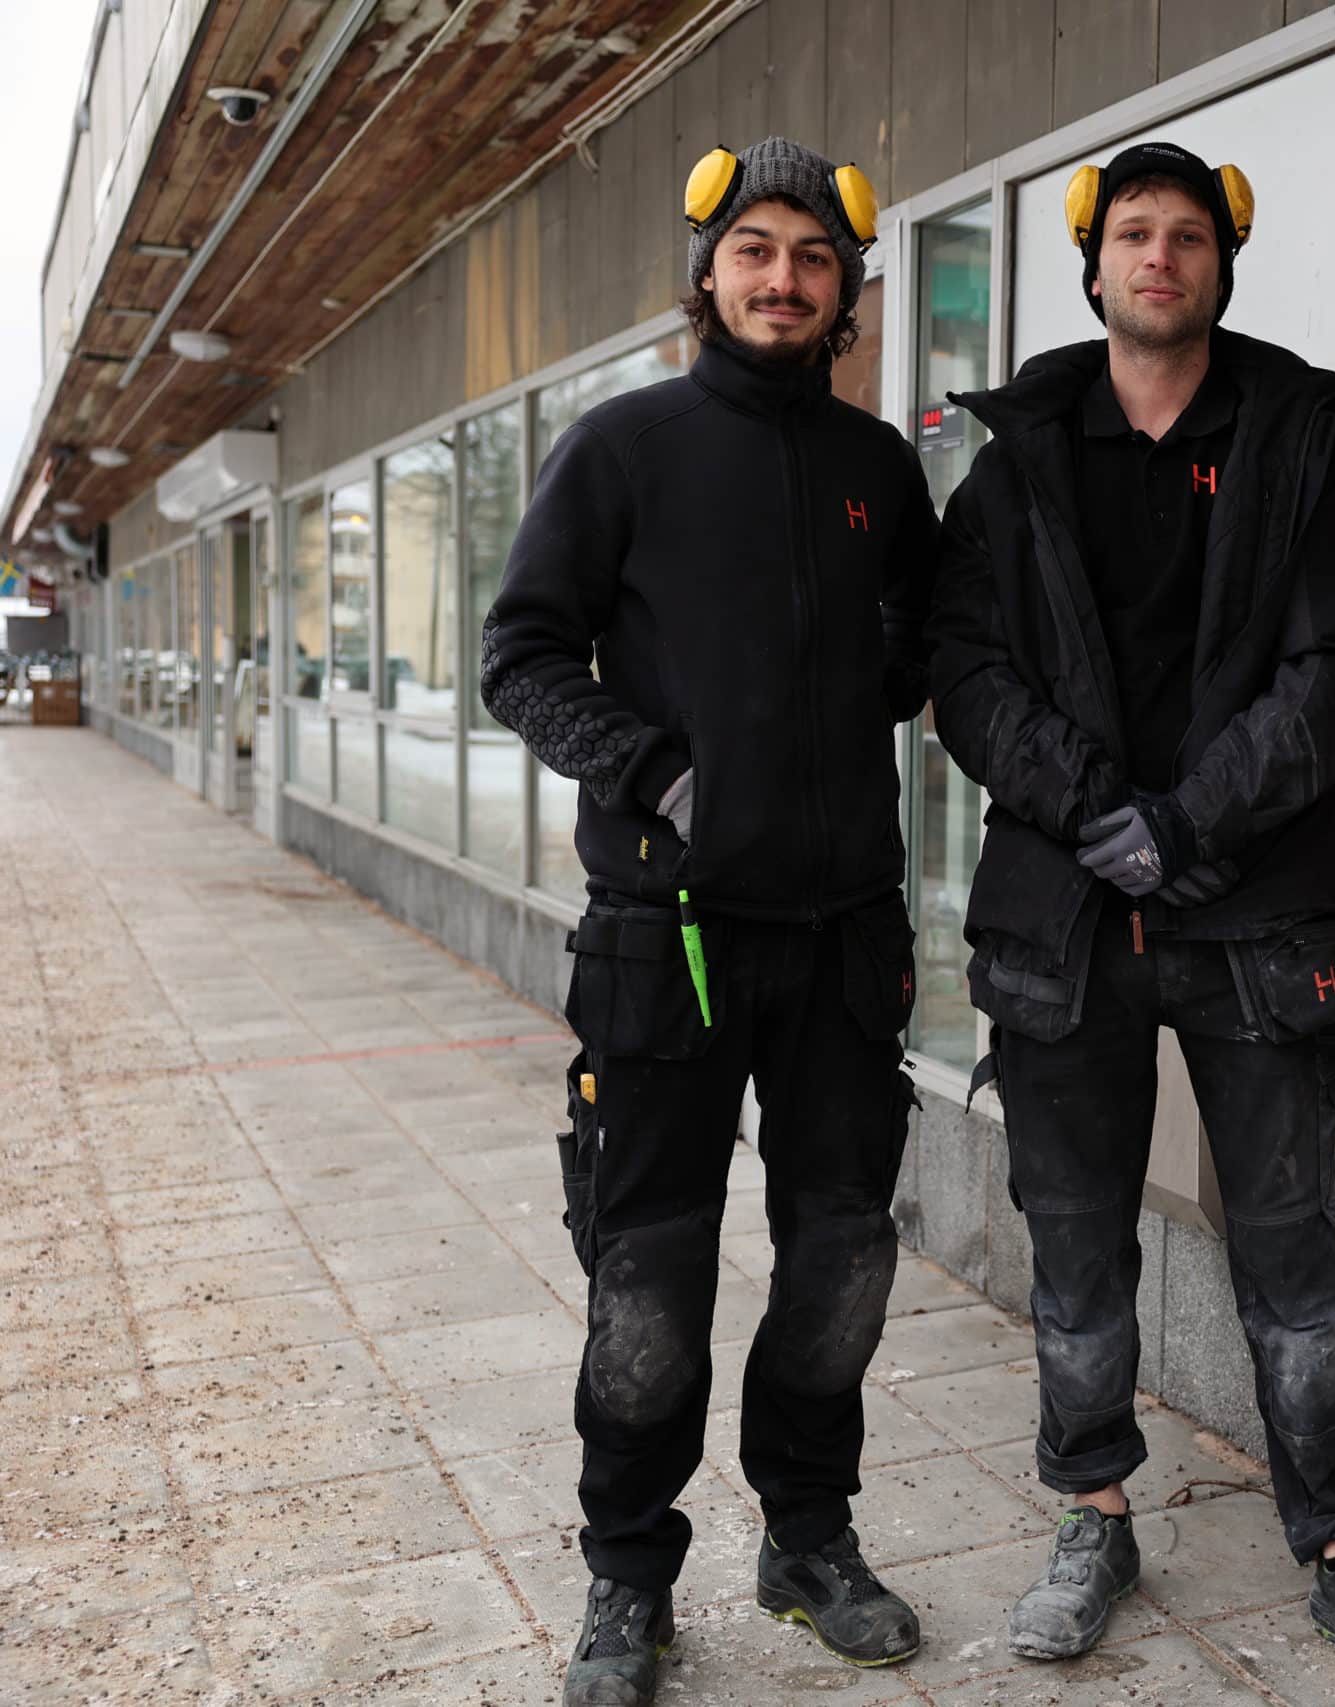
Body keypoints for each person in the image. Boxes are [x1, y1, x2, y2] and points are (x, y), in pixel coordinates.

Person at [928, 140, 1335, 1705]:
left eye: (1186, 238)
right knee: (1079, 1243)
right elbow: (965, 669)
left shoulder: (1298, 443)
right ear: (1092, 265)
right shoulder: (1022, 454)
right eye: (1133, 235)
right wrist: (1092, 805)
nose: (1158, 258)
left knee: (1293, 1256)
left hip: (1256, 918)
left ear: (1222, 266)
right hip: (1065, 918)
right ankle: (1092, 1516)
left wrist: (1184, 823)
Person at [480, 136, 936, 1707]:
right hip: (662, 943)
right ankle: (626, 1575)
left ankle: (809, 1538)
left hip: (844, 941)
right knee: (651, 1283)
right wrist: (654, 765)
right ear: (708, 273)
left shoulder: (882, 470)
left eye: (813, 259)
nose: (784, 279)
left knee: (843, 1265)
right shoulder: (623, 447)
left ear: (845, 290)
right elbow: (522, 655)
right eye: (757, 251)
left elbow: (916, 649)